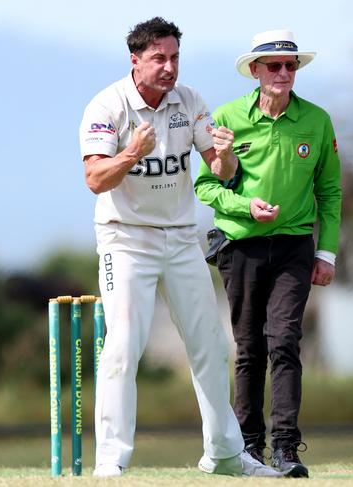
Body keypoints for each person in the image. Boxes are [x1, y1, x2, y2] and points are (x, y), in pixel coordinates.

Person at [78, 17, 281, 478]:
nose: (169, 68)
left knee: (209, 343)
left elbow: (221, 169)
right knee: (124, 345)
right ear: (136, 60)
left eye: (174, 58)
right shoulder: (107, 105)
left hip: (180, 236)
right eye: (159, 59)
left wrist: (225, 153)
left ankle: (225, 455)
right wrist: (131, 152)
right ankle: (111, 459)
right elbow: (94, 179)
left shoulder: (188, 101)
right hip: (125, 238)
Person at [194, 29, 342, 478]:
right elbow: (205, 185)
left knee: (285, 341)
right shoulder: (226, 118)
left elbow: (330, 191)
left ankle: (286, 447)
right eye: (274, 66)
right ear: (255, 71)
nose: (283, 73)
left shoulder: (316, 121)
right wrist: (245, 207)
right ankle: (248, 446)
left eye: (290, 65)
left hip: (295, 245)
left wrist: (328, 253)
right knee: (249, 347)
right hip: (240, 245)